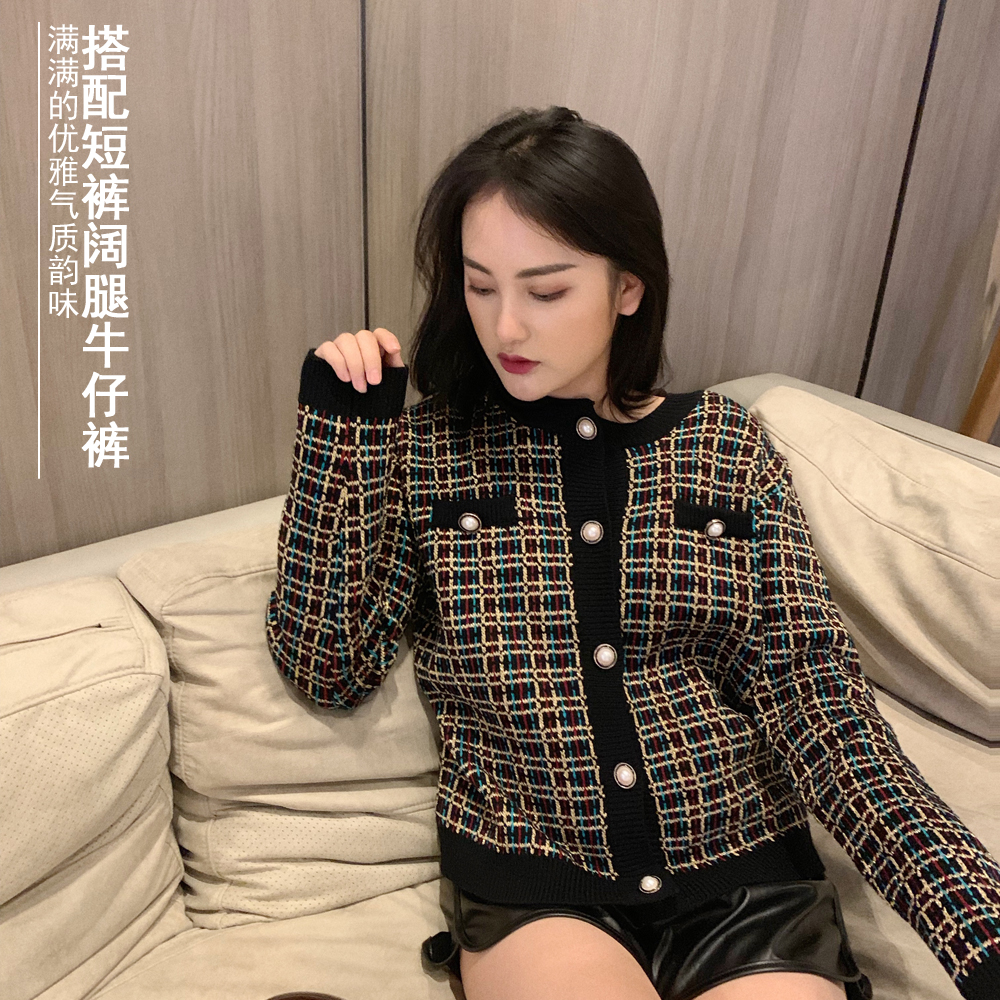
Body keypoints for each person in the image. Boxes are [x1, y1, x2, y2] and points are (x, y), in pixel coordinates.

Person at [265, 106, 1000, 1000]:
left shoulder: (725, 445)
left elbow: (819, 704)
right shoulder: (430, 451)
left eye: (545, 292)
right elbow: (329, 665)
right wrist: (342, 435)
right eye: (480, 286)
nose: (506, 328)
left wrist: (978, 930)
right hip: (536, 883)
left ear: (628, 288)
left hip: (745, 878)